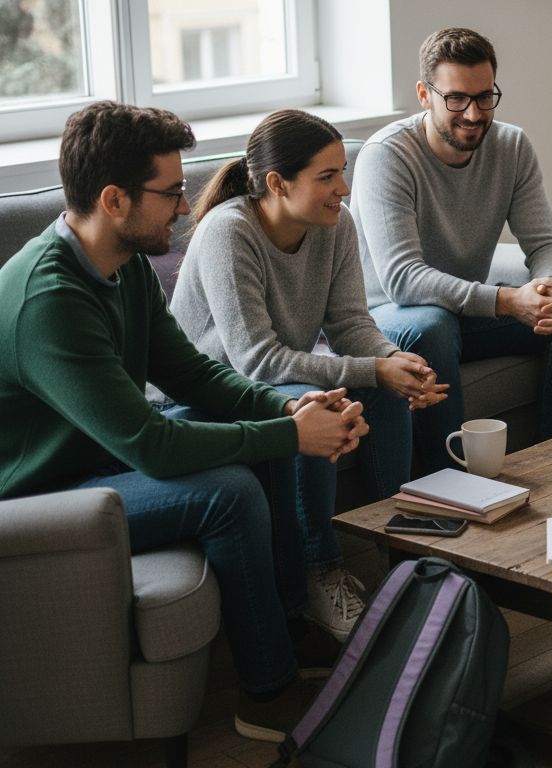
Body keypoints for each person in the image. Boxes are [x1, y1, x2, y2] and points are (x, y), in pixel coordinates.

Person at [0, 101, 368, 741]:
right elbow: (152, 446)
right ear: (115, 200)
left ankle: (286, 628)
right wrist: (291, 431)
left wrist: (286, 407)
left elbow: (195, 377)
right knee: (227, 494)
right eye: (170, 192)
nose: (184, 204)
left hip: (95, 453)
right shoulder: (50, 299)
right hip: (37, 497)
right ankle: (266, 693)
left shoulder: (126, 264)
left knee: (272, 432)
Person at [172, 109, 449, 643]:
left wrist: (395, 362)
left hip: (273, 385)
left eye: (342, 172)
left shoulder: (334, 224)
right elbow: (256, 361)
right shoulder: (229, 233)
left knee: (384, 391)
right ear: (277, 183)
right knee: (314, 405)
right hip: (201, 398)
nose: (343, 189)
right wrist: (373, 367)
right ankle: (318, 574)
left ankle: (408, 551)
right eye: (327, 177)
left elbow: (349, 323)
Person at [351, 27, 552, 468]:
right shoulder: (387, 155)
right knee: (431, 325)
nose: (473, 113)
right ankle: (447, 484)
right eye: (456, 99)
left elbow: (547, 243)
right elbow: (402, 279)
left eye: (485, 97)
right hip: (387, 317)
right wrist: (508, 301)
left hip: (461, 314)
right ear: (424, 95)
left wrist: (548, 286)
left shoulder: (511, 146)